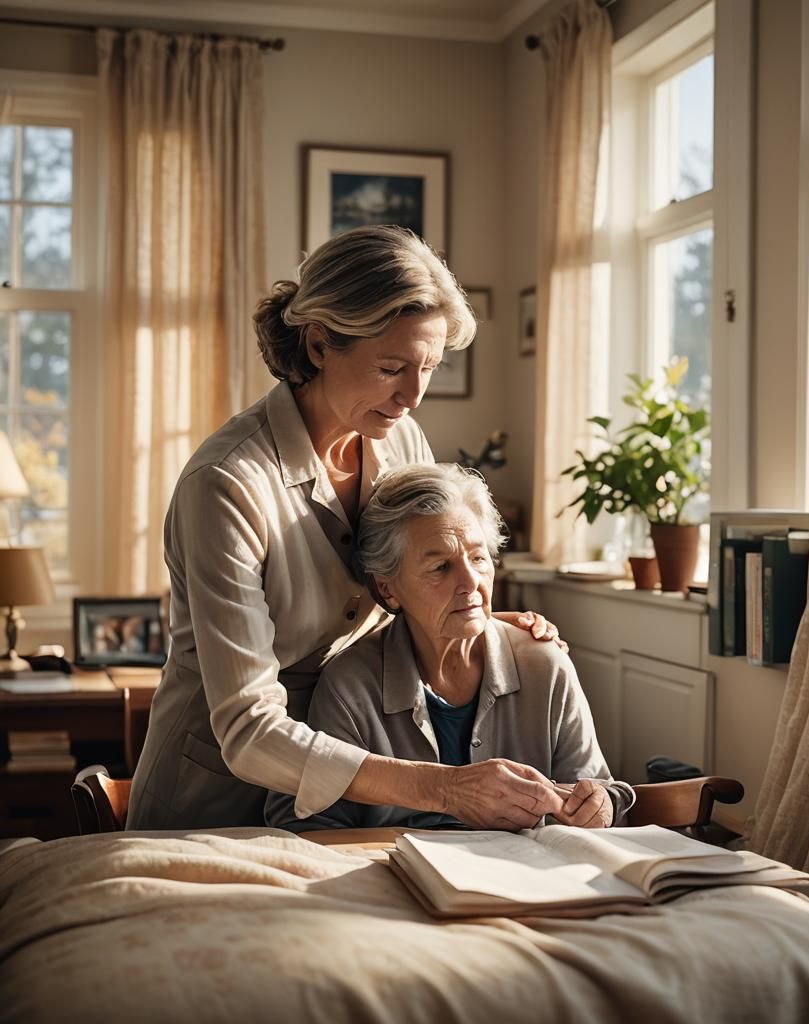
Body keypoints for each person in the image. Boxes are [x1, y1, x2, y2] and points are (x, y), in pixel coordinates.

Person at [127, 226, 566, 831]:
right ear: (316, 345)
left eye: (429, 368)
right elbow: (249, 726)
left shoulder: (402, 439)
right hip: (220, 793)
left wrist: (469, 615)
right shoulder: (226, 485)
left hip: (349, 784)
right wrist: (446, 788)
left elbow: (407, 573)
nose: (413, 394)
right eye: (391, 367)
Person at [266, 464, 633, 832]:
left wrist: (601, 804)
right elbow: (308, 827)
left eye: (477, 557)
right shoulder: (350, 687)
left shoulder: (545, 664)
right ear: (388, 588)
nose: (471, 581)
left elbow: (598, 789)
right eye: (441, 567)